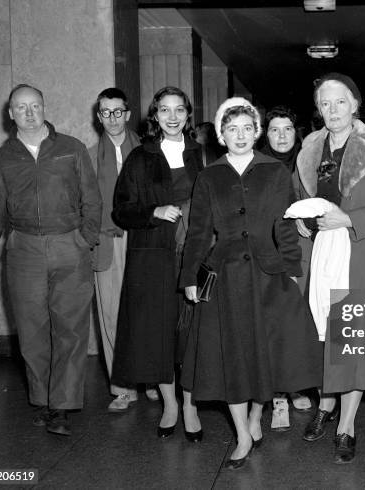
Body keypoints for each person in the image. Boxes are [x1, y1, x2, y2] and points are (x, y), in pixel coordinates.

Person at [180, 97, 322, 469]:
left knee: (265, 354)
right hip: (224, 276)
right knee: (232, 356)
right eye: (232, 129)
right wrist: (189, 278)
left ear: (256, 132)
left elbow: (285, 223)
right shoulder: (209, 176)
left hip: (266, 274)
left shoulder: (273, 171)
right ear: (221, 136)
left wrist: (292, 268)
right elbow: (197, 233)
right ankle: (242, 433)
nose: (240, 135)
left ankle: (255, 419)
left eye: (247, 128)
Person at [0, 84, 102, 436]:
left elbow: (92, 199)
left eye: (35, 106)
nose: (29, 113)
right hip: (24, 250)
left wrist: (83, 239)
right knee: (31, 331)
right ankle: (45, 399)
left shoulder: (71, 149)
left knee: (70, 329)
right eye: (21, 107)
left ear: (44, 108)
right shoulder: (3, 159)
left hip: (69, 246)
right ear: (10, 113)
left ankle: (62, 405)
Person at [295, 73, 365, 464]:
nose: (333, 110)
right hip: (323, 252)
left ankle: (347, 425)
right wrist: (304, 222)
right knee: (326, 335)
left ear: (356, 105)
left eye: (340, 102)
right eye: (325, 103)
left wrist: (348, 218)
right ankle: (327, 405)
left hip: (363, 254)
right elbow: (299, 200)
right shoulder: (309, 148)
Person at [110, 86, 203, 440]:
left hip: (192, 255)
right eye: (165, 110)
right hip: (152, 257)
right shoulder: (140, 157)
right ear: (155, 116)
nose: (173, 117)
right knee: (158, 332)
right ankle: (170, 405)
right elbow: (121, 210)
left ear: (188, 114)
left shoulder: (202, 154)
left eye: (179, 110)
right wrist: (154, 211)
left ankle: (191, 406)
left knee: (192, 334)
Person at [88, 88, 159, 412]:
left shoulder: (148, 152)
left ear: (128, 114)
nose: (113, 118)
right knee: (111, 313)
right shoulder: (88, 157)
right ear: (98, 116)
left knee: (147, 309)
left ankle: (151, 378)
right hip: (108, 241)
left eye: (118, 111)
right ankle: (123, 387)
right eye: (106, 112)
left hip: (143, 237)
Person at [260, 105, 312, 430]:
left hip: (304, 250)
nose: (282, 136)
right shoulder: (256, 165)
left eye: (288, 129)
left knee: (298, 322)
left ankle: (296, 385)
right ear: (265, 134)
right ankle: (278, 396)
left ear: (297, 132)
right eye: (275, 129)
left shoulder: (309, 160)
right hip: (270, 252)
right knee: (274, 325)